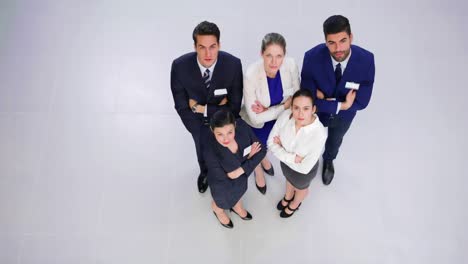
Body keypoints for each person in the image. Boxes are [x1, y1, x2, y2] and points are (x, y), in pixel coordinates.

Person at [300, 15, 375, 185]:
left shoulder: (367, 60)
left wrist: (324, 99)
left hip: (344, 116)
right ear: (325, 41)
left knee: (335, 140)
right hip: (317, 114)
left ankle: (328, 160)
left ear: (351, 38)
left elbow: (362, 101)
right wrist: (342, 104)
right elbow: (307, 101)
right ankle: (309, 161)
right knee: (309, 139)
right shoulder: (311, 58)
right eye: (331, 43)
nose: (338, 48)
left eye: (343, 41)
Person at [170, 21, 243, 193]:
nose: (208, 53)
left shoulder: (233, 65)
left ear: (219, 45)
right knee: (202, 151)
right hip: (197, 124)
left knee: (226, 150)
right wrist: (198, 129)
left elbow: (234, 106)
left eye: (213, 46)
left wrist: (200, 108)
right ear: (195, 46)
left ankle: (226, 173)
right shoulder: (179, 67)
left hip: (225, 123)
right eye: (202, 47)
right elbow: (181, 106)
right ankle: (205, 173)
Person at [240, 32, 300, 194]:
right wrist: (282, 106)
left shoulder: (291, 65)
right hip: (259, 123)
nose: (274, 62)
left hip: (280, 119)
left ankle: (263, 158)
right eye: (269, 56)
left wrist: (269, 109)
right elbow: (255, 116)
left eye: (279, 56)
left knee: (274, 143)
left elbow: (296, 97)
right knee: (258, 146)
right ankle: (258, 168)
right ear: (262, 54)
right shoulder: (251, 74)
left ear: (284, 54)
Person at [267, 89, 326, 218]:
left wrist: (281, 148)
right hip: (287, 165)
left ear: (313, 109)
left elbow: (304, 168)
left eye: (306, 108)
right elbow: (270, 143)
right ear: (292, 108)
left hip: (302, 174)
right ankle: (288, 197)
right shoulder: (286, 116)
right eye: (296, 108)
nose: (300, 113)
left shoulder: (319, 134)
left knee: (300, 189)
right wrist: (294, 158)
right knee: (288, 179)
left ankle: (294, 204)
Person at [203, 110, 266, 228]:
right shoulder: (209, 150)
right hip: (222, 185)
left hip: (240, 179)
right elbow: (225, 177)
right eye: (220, 134)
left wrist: (240, 170)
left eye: (229, 132)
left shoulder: (242, 126)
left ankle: (237, 206)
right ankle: (218, 210)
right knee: (221, 202)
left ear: (235, 126)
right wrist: (249, 159)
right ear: (213, 131)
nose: (226, 139)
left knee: (238, 194)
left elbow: (261, 150)